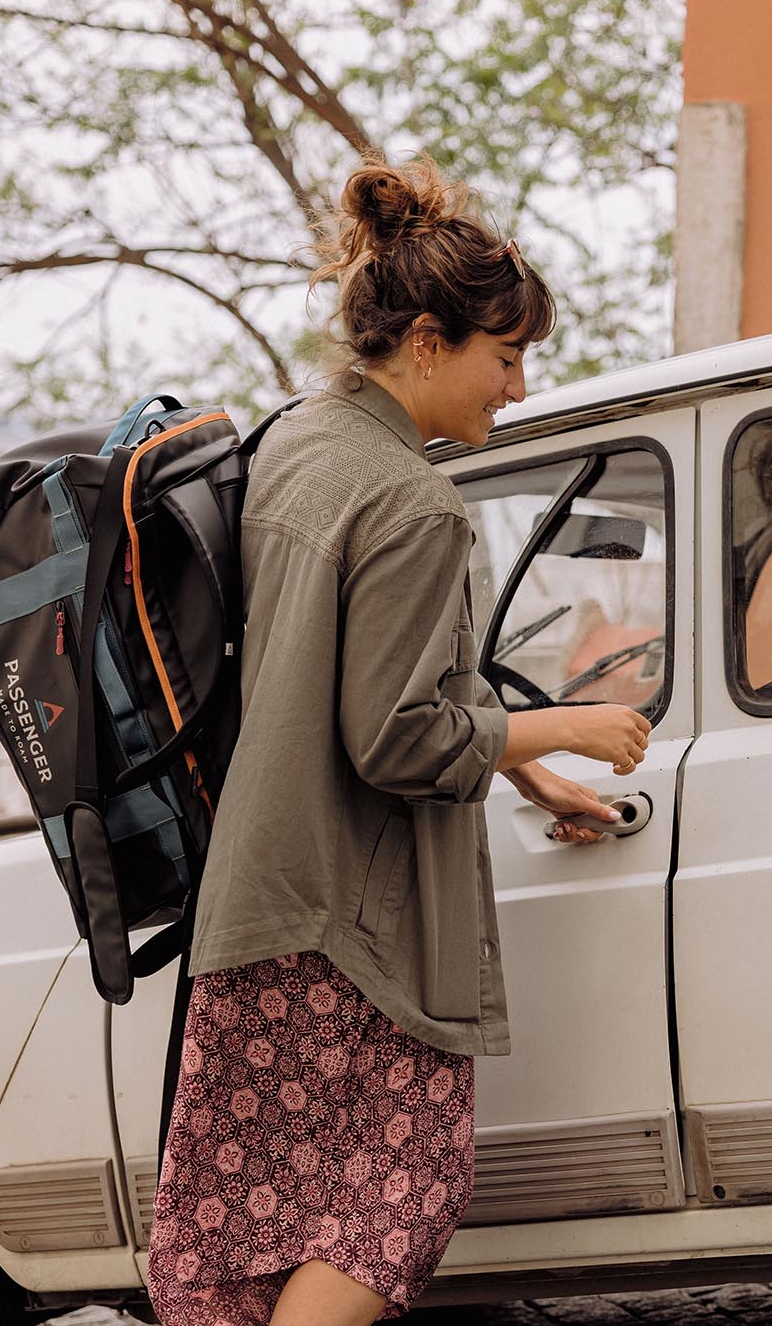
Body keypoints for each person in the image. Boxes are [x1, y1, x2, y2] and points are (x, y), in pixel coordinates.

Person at [146, 156, 651, 1326]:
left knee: (252, 1243)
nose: (517, 389)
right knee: (392, 1198)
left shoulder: (301, 444)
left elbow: (373, 665)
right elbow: (397, 733)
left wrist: (532, 766)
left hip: (258, 909)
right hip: (353, 935)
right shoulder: (415, 500)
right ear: (428, 340)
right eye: (508, 355)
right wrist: (575, 716)